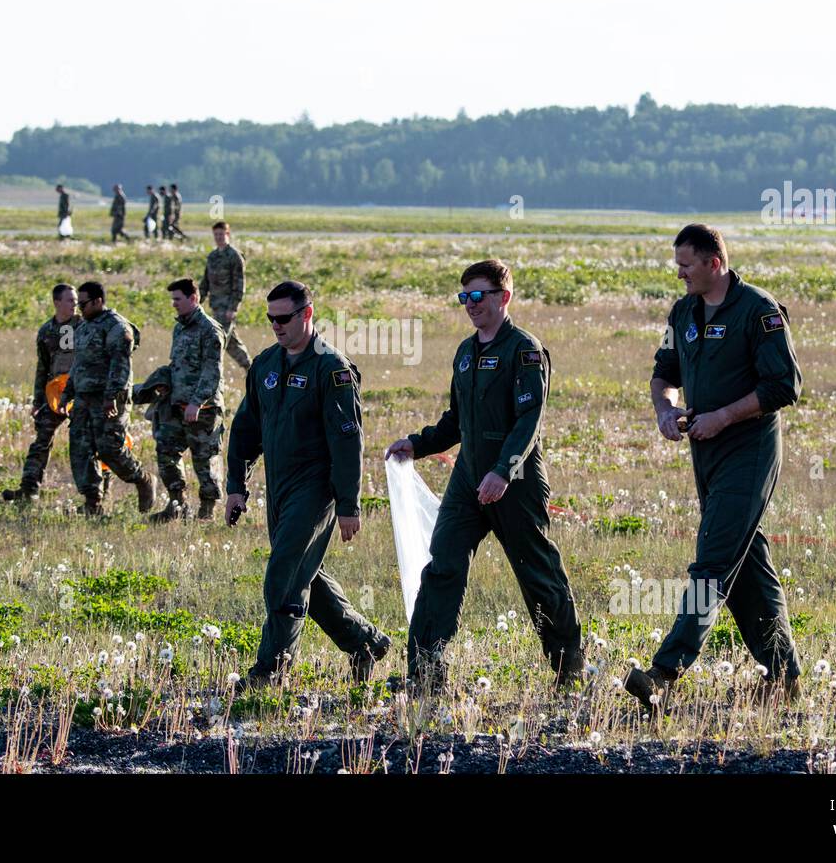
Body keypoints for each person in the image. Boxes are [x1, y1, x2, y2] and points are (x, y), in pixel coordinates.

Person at [627, 224, 803, 712]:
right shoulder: (682, 311)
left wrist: (724, 415)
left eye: (686, 264)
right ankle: (783, 675)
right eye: (677, 263)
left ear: (715, 264)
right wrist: (666, 409)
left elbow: (784, 386)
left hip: (747, 452)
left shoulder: (758, 311)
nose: (679, 272)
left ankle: (664, 673)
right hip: (704, 453)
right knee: (745, 565)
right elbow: (665, 372)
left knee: (711, 565)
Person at [386, 259, 583, 691]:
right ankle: (425, 673)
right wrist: (417, 444)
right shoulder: (464, 352)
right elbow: (456, 421)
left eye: (478, 296)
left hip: (516, 481)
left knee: (537, 573)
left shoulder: (525, 351)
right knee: (442, 567)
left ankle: (569, 669)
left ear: (503, 297)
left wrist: (503, 471)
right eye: (464, 297)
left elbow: (528, 420)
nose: (470, 305)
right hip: (469, 479)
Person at [226, 281, 390, 687]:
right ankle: (364, 642)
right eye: (270, 319)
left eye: (283, 318)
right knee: (304, 574)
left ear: (307, 314)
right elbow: (246, 428)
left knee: (283, 573)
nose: (276, 326)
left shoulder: (331, 369)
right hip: (279, 487)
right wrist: (236, 485)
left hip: (315, 489)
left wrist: (349, 504)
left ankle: (271, 670)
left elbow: (347, 439)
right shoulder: (264, 365)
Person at [60, 281, 156, 515]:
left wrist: (111, 396)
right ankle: (93, 503)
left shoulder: (116, 328)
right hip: (83, 398)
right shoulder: (83, 327)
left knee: (110, 448)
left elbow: (120, 366)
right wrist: (67, 393)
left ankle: (142, 479)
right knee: (81, 449)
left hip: (109, 400)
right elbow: (78, 365)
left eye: (83, 304)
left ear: (98, 301)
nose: (78, 308)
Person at [136, 278, 226, 522]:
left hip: (203, 409)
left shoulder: (210, 330)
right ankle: (178, 505)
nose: (173, 304)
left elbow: (212, 372)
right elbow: (179, 366)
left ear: (193, 298)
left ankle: (207, 512)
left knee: (204, 460)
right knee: (166, 451)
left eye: (177, 299)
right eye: (173, 299)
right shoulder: (180, 328)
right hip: (176, 405)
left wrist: (197, 402)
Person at [2, 284, 80, 502]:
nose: (75, 304)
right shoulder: (47, 331)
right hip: (55, 394)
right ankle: (28, 489)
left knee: (88, 442)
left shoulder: (85, 326)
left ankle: (95, 495)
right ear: (57, 303)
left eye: (75, 300)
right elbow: (42, 368)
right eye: (70, 300)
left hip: (80, 393)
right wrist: (38, 400)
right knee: (41, 440)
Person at [200, 221, 252, 370]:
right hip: (216, 306)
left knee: (217, 342)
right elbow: (205, 282)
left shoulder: (234, 256)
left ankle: (214, 377)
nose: (218, 237)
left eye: (221, 234)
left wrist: (233, 307)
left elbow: (240, 284)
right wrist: (197, 301)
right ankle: (251, 368)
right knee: (231, 344)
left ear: (227, 234)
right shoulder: (212, 256)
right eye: (216, 234)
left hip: (227, 307)